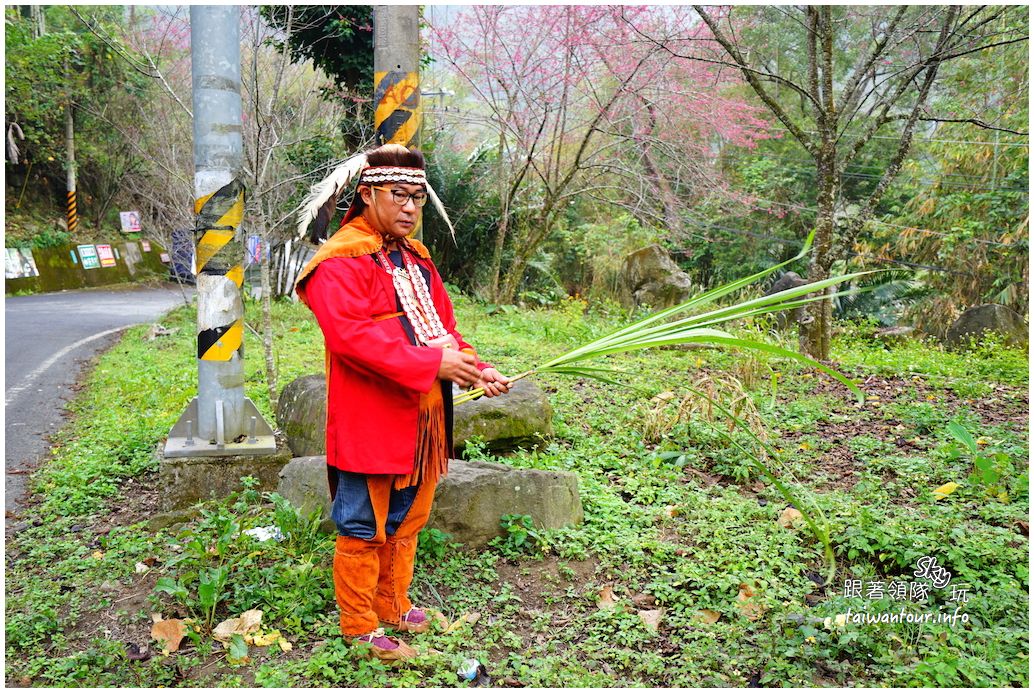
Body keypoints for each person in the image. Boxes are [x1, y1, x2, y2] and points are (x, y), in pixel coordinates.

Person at [294, 144, 511, 661]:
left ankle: (395, 604)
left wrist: (476, 369)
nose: (411, 208)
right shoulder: (338, 261)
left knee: (408, 516)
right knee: (364, 522)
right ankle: (359, 625)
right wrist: (431, 365)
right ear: (367, 194)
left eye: (417, 197)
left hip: (425, 419)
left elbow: (445, 330)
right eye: (400, 196)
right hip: (372, 418)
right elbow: (350, 338)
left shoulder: (416, 257)